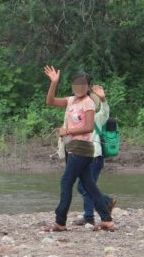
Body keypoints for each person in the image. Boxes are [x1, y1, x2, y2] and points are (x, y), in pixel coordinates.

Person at [43, 65, 115, 232]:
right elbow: (50, 101)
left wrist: (67, 131)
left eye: (83, 84)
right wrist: (54, 82)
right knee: (89, 185)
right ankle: (107, 220)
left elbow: (89, 127)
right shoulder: (70, 100)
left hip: (82, 148)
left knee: (66, 182)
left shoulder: (88, 103)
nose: (79, 87)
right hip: (72, 147)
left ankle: (60, 222)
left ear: (88, 87)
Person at [72, 83, 112, 226]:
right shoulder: (77, 119)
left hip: (94, 157)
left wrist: (103, 99)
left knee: (85, 187)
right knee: (83, 187)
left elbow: (105, 112)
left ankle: (89, 216)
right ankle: (106, 201)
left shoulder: (96, 117)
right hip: (83, 156)